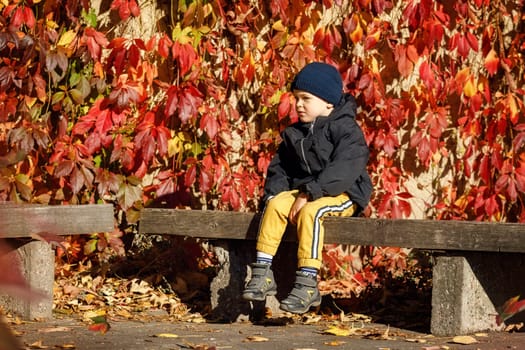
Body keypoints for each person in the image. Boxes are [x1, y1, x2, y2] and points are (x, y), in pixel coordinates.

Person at [242, 62, 373, 314]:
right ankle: (263, 272)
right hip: (308, 192)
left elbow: (344, 169)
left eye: (306, 98)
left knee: (311, 213)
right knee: (277, 203)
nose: (299, 104)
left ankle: (307, 282)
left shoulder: (345, 129)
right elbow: (279, 169)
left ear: (328, 103)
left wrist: (309, 193)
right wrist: (273, 194)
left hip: (344, 192)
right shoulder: (294, 134)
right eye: (296, 98)